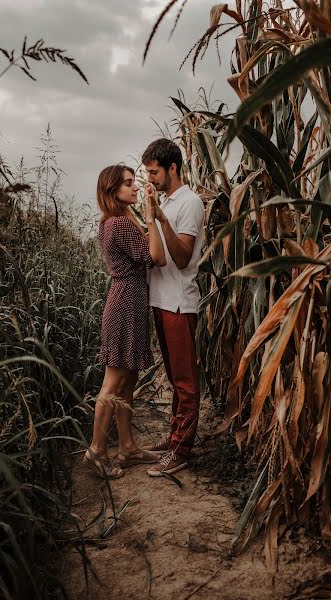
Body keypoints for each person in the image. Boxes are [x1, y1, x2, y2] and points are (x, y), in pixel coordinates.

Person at [83, 164, 166, 479]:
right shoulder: (121, 224)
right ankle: (96, 450)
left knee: (127, 379)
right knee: (114, 381)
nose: (134, 187)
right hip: (126, 302)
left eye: (134, 182)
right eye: (128, 184)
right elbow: (155, 258)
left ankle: (128, 447)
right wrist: (151, 217)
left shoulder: (112, 222)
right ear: (112, 190)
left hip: (126, 300)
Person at [141, 138, 205, 476]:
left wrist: (161, 219)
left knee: (185, 380)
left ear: (173, 169)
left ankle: (182, 451)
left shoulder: (189, 203)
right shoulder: (167, 201)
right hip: (161, 301)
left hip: (179, 303)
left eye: (154, 172)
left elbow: (181, 259)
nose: (149, 179)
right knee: (174, 376)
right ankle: (174, 439)